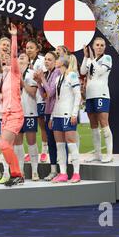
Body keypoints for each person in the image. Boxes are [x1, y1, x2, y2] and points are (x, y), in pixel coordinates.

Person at [0, 23, 25, 187]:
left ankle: (17, 174)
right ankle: (16, 175)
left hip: (14, 114)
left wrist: (14, 36)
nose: (6, 59)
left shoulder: (15, 72)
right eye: (3, 58)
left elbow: (14, 55)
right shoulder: (4, 77)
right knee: (7, 147)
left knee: (3, 144)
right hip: (5, 115)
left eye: (8, 57)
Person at [81, 38, 113, 163]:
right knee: (93, 125)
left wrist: (92, 59)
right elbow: (83, 71)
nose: (99, 47)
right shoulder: (90, 60)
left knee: (104, 123)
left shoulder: (107, 58)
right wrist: (85, 57)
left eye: (102, 45)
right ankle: (97, 154)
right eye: (97, 45)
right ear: (93, 47)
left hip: (102, 94)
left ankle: (109, 154)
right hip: (90, 95)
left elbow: (100, 71)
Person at [50, 55, 82, 183]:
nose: (55, 61)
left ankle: (76, 173)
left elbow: (78, 95)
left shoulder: (72, 76)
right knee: (60, 145)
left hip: (68, 114)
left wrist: (74, 114)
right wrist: (52, 116)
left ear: (62, 63)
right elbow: (56, 99)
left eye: (57, 59)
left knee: (71, 144)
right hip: (57, 115)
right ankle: (63, 173)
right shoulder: (58, 78)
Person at [35, 51, 61, 181]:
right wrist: (39, 82)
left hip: (55, 112)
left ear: (55, 62)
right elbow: (44, 95)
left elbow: (51, 93)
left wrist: (43, 79)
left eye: (49, 59)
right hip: (48, 111)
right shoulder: (49, 73)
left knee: (58, 142)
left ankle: (62, 170)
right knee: (51, 142)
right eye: (45, 59)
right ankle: (53, 170)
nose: (46, 61)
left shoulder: (57, 72)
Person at [15, 53, 40, 181]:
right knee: (17, 144)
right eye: (20, 56)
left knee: (31, 142)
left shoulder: (32, 73)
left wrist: (22, 83)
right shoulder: (12, 73)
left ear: (29, 60)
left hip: (30, 111)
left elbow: (33, 92)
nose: (22, 57)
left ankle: (35, 171)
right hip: (16, 113)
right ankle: (20, 171)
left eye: (24, 56)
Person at [25, 41, 48, 163]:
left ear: (37, 49)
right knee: (29, 128)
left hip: (40, 97)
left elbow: (44, 77)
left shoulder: (42, 60)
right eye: (27, 48)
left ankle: (44, 151)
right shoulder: (23, 62)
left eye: (31, 48)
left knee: (42, 124)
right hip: (28, 99)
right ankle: (30, 151)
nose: (28, 50)